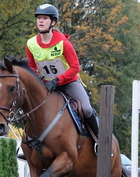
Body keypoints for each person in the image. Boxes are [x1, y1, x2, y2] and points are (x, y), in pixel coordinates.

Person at [26, 3, 99, 147]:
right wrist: (39, 79)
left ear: (53, 22)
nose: (40, 21)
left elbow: (75, 67)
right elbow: (31, 66)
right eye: (39, 18)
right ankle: (29, 143)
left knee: (86, 109)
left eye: (45, 18)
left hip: (69, 83)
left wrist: (57, 80)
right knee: (29, 106)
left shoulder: (63, 43)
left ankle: (100, 141)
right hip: (46, 85)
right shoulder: (31, 44)